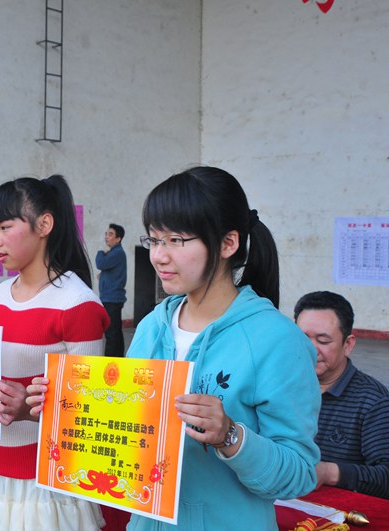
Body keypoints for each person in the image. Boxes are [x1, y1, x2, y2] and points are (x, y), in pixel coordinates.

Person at [46, 166, 317, 530]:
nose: (158, 256)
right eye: (154, 240)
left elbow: (298, 474)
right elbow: (127, 436)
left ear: (228, 243)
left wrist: (231, 436)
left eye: (176, 240)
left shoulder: (277, 340)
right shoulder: (151, 327)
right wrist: (64, 411)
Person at [0, 175, 109, 530]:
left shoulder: (77, 304)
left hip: (43, 478)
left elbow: (89, 410)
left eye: (5, 227)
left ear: (44, 225)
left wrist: (29, 409)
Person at [294, 291, 389, 499]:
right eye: (302, 338)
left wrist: (330, 472)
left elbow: (386, 476)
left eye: (323, 341)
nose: (311, 349)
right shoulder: (280, 388)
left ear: (348, 345)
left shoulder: (375, 402)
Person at [95, 223, 127, 356]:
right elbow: (109, 269)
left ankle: (110, 361)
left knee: (111, 333)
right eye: (106, 234)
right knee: (115, 332)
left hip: (111, 299)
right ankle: (118, 358)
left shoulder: (116, 253)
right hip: (112, 298)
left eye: (110, 234)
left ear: (118, 239)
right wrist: (103, 276)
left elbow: (100, 263)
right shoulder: (115, 253)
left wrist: (100, 252)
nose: (107, 237)